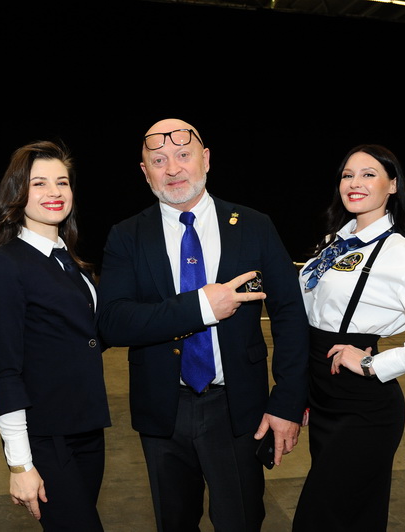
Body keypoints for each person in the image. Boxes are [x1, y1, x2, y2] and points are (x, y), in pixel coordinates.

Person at [97, 118, 309, 532]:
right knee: (174, 522)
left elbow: (290, 315)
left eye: (183, 155)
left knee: (241, 520)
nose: (173, 169)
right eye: (159, 160)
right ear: (145, 172)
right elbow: (113, 322)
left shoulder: (254, 225)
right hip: (162, 410)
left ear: (206, 159)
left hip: (239, 409)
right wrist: (201, 308)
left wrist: (286, 402)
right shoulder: (126, 236)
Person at [292, 144, 405, 531]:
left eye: (368, 174)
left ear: (392, 185)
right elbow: (311, 314)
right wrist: (300, 390)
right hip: (322, 393)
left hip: (362, 407)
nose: (354, 183)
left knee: (321, 517)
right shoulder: (332, 244)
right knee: (352, 516)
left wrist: (375, 363)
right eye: (347, 175)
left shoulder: (401, 255)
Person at [0, 140, 111, 531]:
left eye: (62, 182)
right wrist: (20, 464)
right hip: (46, 439)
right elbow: (5, 371)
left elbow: (85, 336)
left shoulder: (67, 257)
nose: (55, 192)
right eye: (39, 183)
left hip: (87, 431)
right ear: (17, 192)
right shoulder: (4, 265)